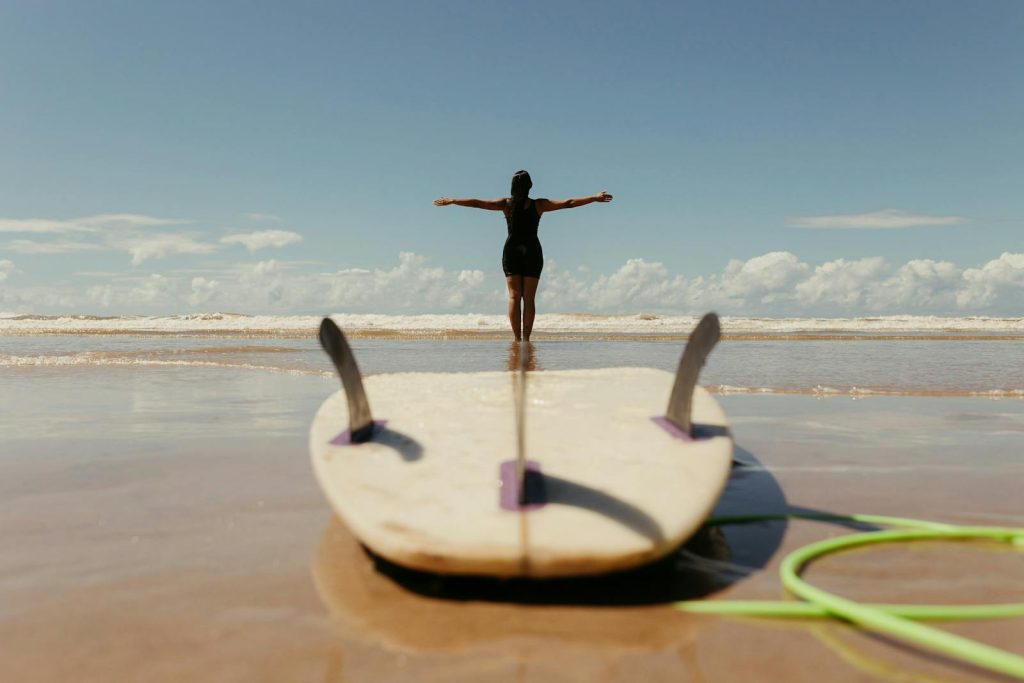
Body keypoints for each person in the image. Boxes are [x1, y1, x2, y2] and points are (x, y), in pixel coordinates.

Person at [434, 170, 613, 341]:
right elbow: (569, 202)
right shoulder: (539, 204)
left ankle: (517, 339)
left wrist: (453, 200)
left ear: (512, 186)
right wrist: (594, 198)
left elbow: (478, 203)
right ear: (530, 186)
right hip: (532, 250)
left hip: (512, 250)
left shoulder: (506, 204)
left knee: (513, 296)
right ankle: (526, 339)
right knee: (528, 298)